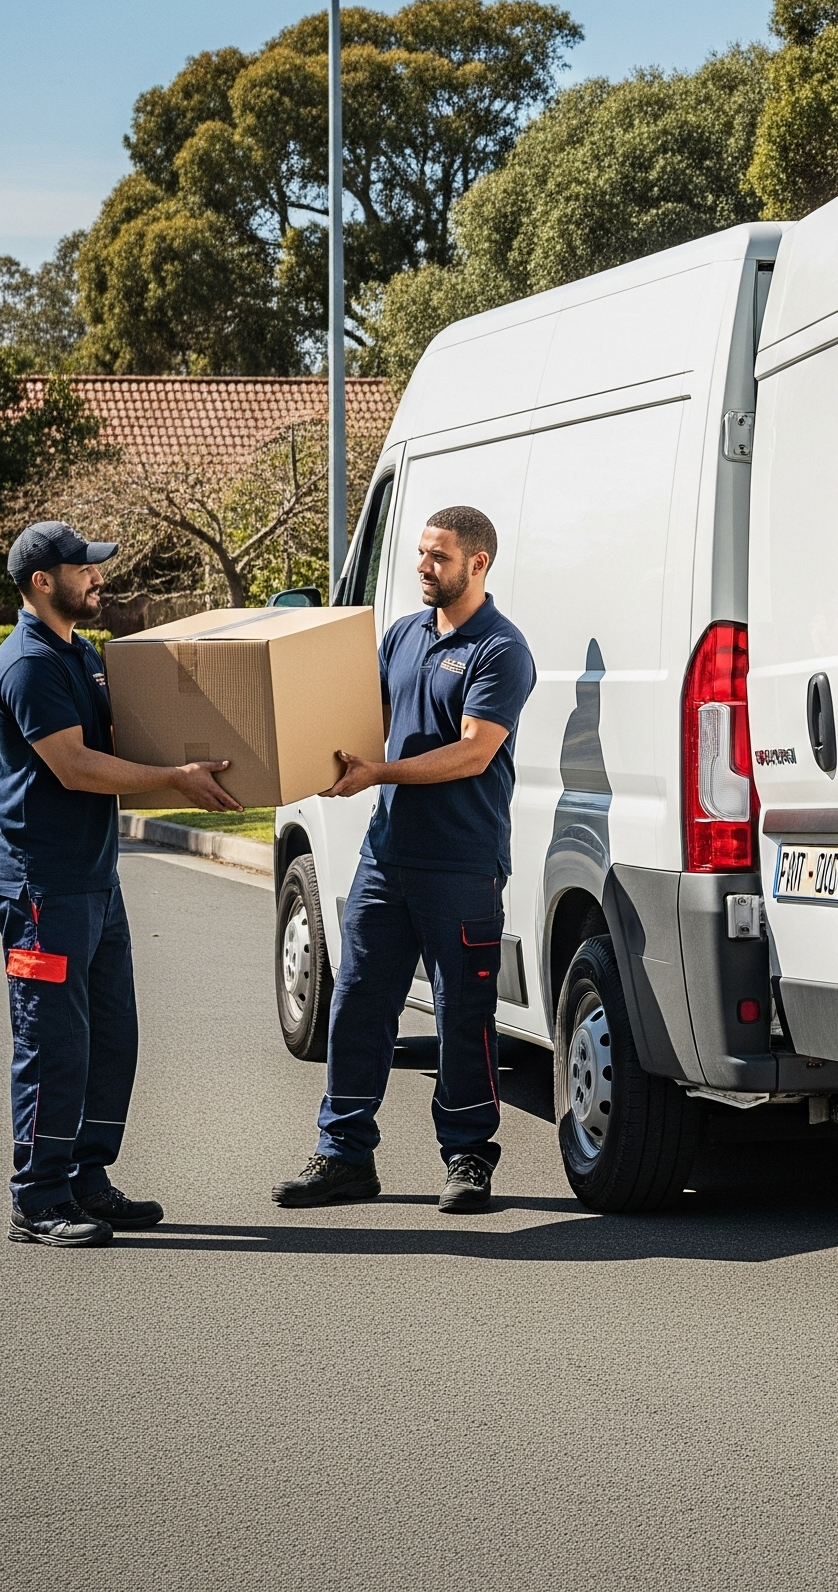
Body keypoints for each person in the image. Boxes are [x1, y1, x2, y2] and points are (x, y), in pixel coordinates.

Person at [272, 505, 536, 1217]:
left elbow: (473, 750)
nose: (423, 566)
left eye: (438, 556)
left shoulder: (500, 650)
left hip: (461, 863)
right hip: (386, 859)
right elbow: (372, 725)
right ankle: (345, 1154)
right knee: (357, 1003)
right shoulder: (403, 635)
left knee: (463, 1014)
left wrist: (378, 775)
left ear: (477, 563)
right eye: (420, 553)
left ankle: (469, 1158)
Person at [0, 521, 239, 1247]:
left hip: (93, 879)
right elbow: (76, 766)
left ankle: (86, 1179)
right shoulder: (28, 664)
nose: (98, 577)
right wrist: (173, 779)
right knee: (52, 1042)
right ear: (42, 582)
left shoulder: (81, 655)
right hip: (42, 887)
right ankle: (36, 1198)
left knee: (110, 1040)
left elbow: (120, 742)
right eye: (83, 568)